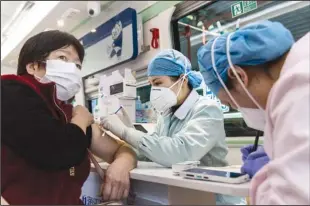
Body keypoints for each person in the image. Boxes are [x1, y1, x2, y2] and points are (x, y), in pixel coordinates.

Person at [1, 30, 137, 204]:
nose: (72, 69)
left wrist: (122, 164)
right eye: (63, 58)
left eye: (77, 65)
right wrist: (81, 119)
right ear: (33, 66)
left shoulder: (68, 113)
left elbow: (121, 149)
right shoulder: (10, 93)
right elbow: (57, 150)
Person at [102, 49, 246, 205]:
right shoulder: (166, 114)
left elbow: (180, 153)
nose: (153, 90)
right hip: (184, 194)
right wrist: (121, 149)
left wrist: (125, 132)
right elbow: (152, 151)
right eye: (151, 84)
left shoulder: (206, 109)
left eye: (158, 83)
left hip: (214, 198)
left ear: (182, 80)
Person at [197, 20, 309, 204]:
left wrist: (267, 173)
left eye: (230, 103)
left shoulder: (297, 89)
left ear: (239, 76)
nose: (237, 110)